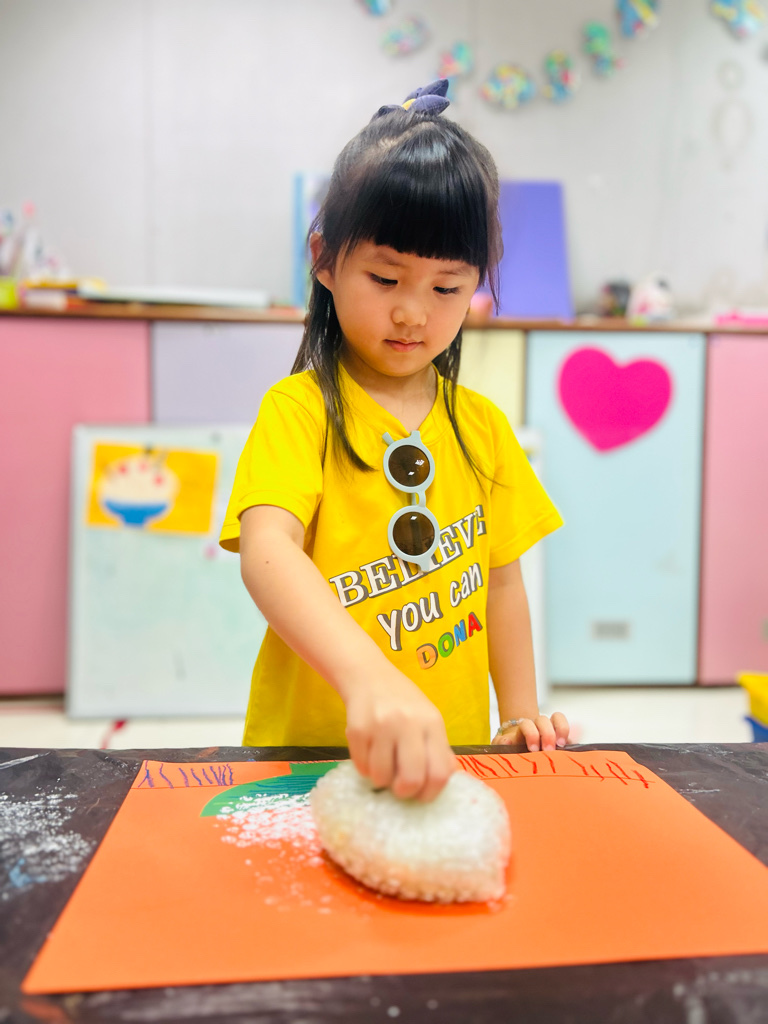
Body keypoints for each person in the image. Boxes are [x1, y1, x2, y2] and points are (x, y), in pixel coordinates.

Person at [220, 80, 570, 802]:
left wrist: (519, 716)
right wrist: (369, 680)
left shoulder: (481, 425)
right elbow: (268, 552)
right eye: (385, 278)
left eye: (447, 289)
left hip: (449, 759)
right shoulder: (299, 411)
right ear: (324, 259)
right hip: (311, 759)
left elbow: (502, 583)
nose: (413, 312)